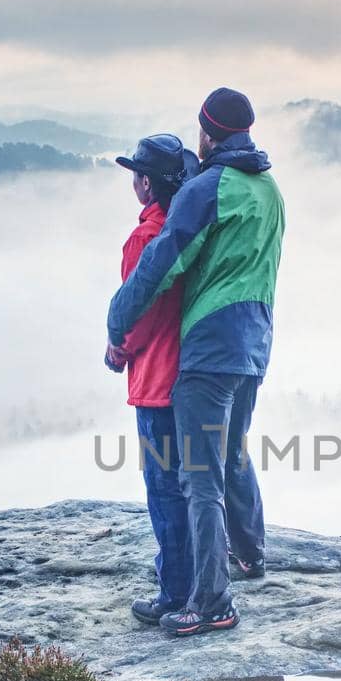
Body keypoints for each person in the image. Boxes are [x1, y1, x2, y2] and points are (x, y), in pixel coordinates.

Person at [106, 87, 285, 637]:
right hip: (255, 342)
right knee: (231, 452)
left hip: (207, 348)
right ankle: (250, 555)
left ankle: (212, 603)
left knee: (197, 479)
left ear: (207, 133)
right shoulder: (271, 190)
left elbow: (160, 267)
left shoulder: (209, 188)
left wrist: (116, 324)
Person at [105, 134, 198, 625]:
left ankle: (175, 591)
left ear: (146, 185)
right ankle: (191, 579)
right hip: (191, 376)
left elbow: (136, 312)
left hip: (156, 380)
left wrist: (117, 348)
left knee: (163, 488)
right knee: (193, 485)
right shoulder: (188, 229)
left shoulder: (145, 239)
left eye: (136, 175)